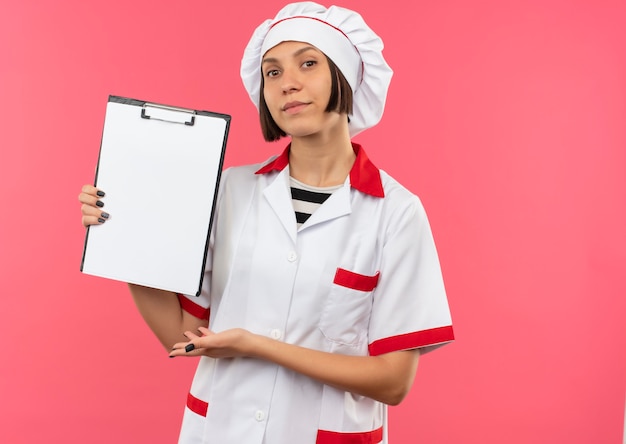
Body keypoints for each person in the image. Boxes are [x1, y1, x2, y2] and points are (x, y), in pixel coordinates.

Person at [79, 2, 454, 443]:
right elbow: (181, 336)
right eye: (272, 72)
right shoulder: (229, 191)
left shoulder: (395, 212)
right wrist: (125, 239)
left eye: (308, 63)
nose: (287, 84)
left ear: (347, 76)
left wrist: (258, 346)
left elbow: (392, 383)